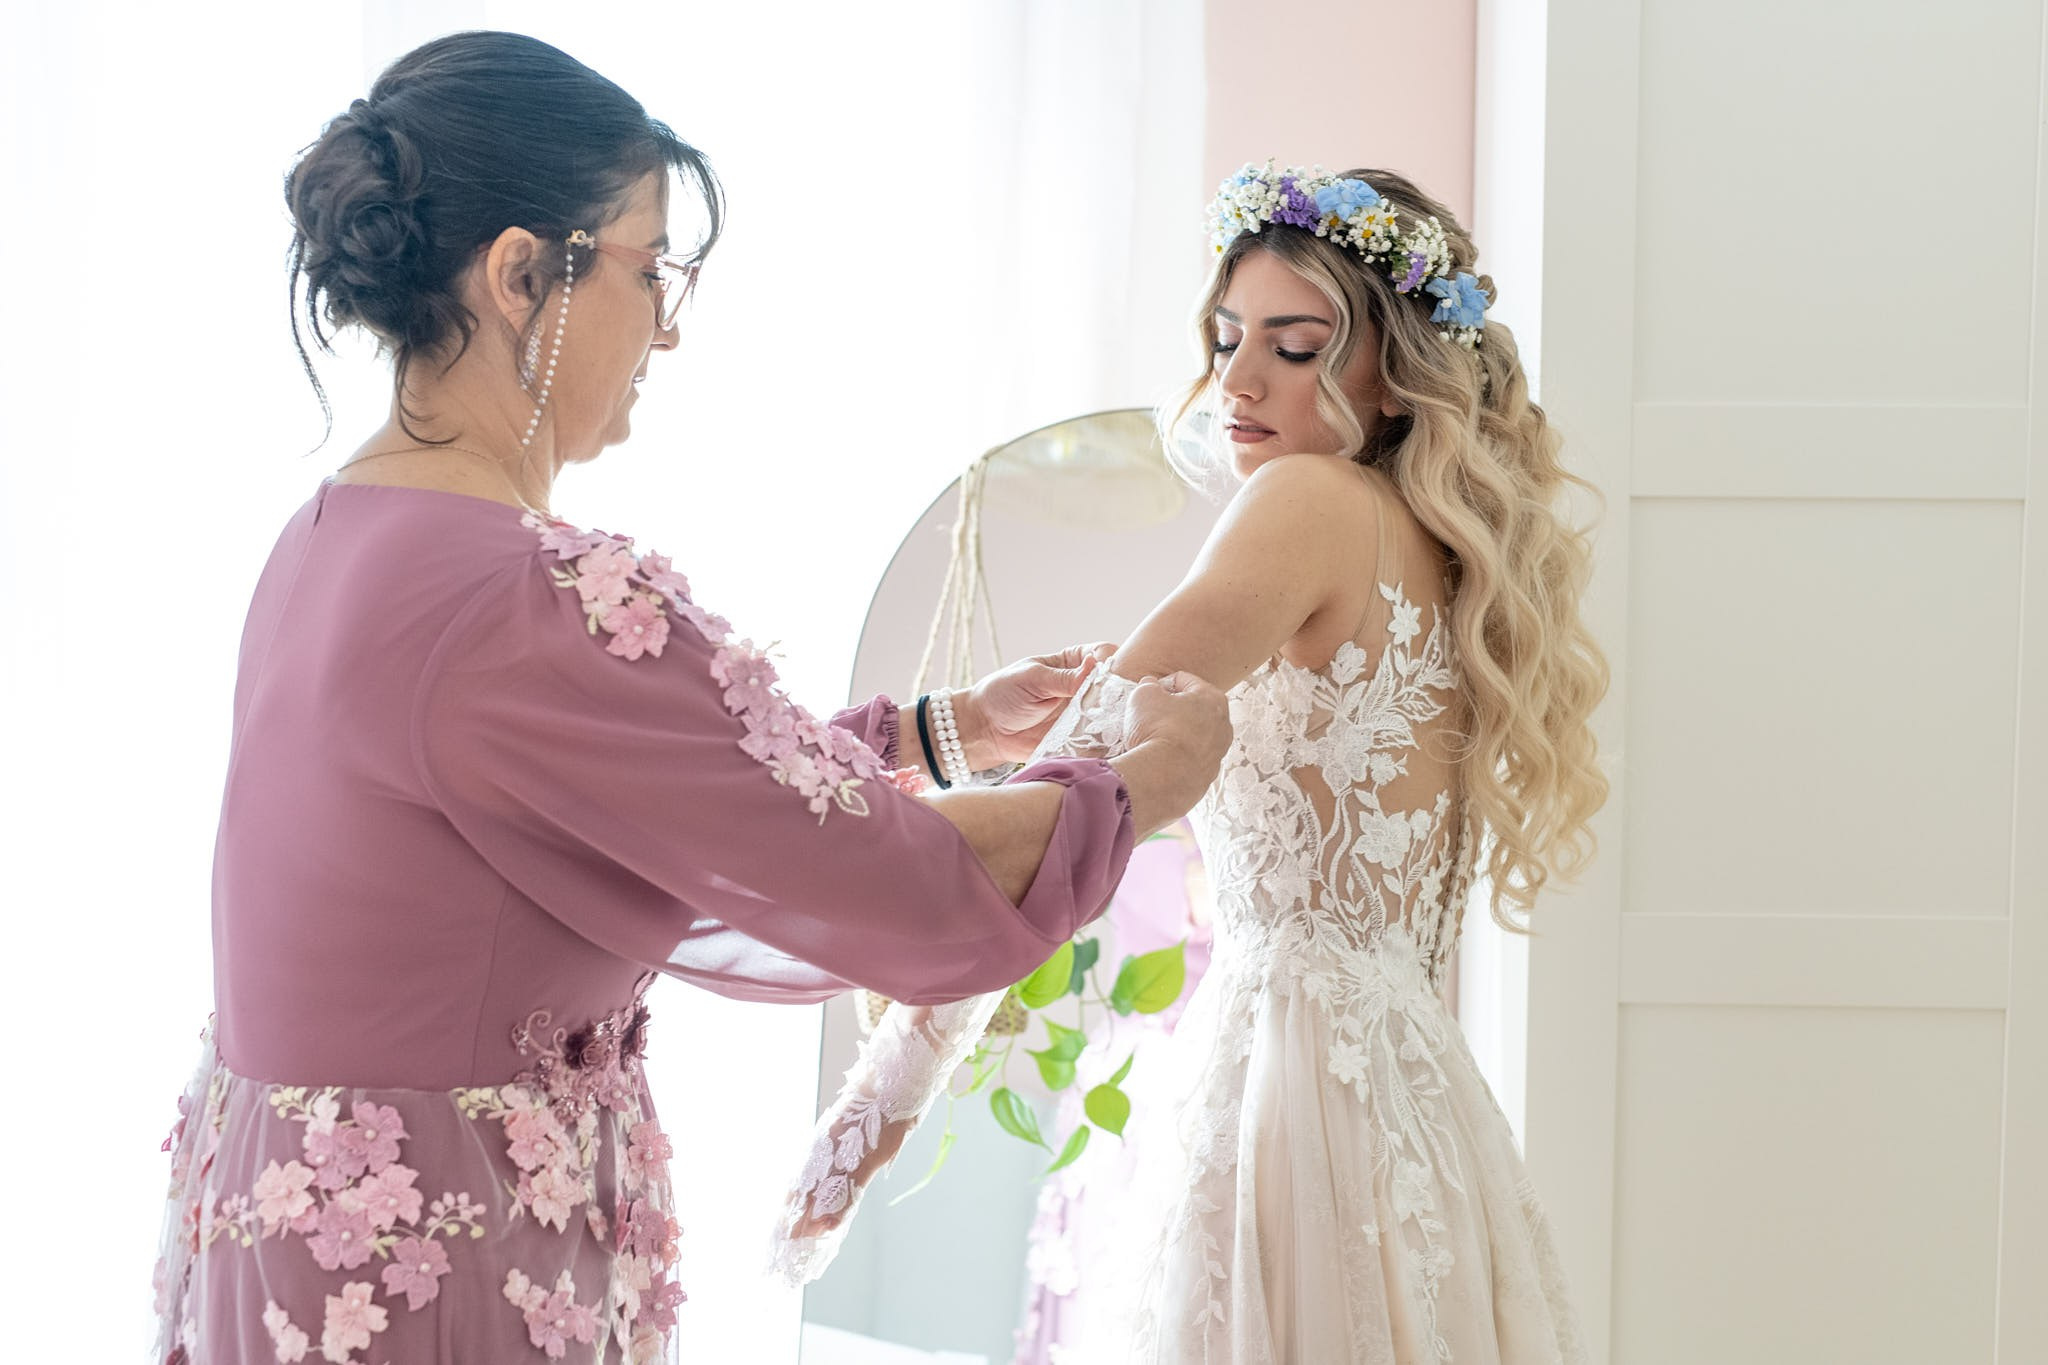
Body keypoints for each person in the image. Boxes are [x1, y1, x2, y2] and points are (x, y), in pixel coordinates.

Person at [150, 31, 1230, 1365]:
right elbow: (871, 879)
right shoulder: (521, 597)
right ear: (517, 274)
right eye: (650, 268)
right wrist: (1129, 791)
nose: (669, 323)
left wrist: (933, 733)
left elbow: (638, 799)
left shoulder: (333, 537)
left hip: (297, 1241)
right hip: (439, 1259)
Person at [781, 163, 1608, 1365]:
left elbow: (1060, 801)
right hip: (1414, 1097)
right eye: (1227, 338)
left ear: (1393, 366)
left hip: (1293, 1091)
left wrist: (874, 1112)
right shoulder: (1446, 553)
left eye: (1293, 344)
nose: (1236, 378)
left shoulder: (1306, 503)